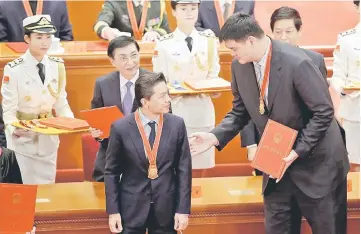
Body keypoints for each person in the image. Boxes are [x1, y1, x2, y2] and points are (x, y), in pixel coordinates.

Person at [189, 13, 349, 234]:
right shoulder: (240, 66)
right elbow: (240, 111)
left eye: (234, 48)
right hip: (277, 163)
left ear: (251, 40)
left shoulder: (297, 62)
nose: (232, 54)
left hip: (317, 163)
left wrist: (297, 150)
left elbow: (323, 112)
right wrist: (214, 135)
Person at [241, 6, 328, 175]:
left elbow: (321, 109)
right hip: (269, 144)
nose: (283, 37)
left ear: (299, 30)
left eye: (288, 31)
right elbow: (249, 106)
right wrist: (251, 144)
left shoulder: (315, 61)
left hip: (304, 145)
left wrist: (304, 145)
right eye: (278, 32)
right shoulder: (259, 61)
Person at [105, 72, 192, 234]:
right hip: (131, 208)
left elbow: (184, 170)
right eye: (162, 96)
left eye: (167, 93)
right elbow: (111, 172)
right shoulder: (120, 128)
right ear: (145, 102)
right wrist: (113, 211)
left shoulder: (177, 125)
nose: (168, 99)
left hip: (167, 208)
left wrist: (183, 209)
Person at [1, 14, 74, 184]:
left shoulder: (57, 65)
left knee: (47, 191)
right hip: (23, 141)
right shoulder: (14, 70)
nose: (45, 42)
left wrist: (71, 122)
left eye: (48, 37)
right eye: (39, 37)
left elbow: (61, 101)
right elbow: (8, 111)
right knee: (24, 192)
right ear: (27, 38)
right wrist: (15, 131)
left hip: (48, 140)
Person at [153, 0, 220, 170]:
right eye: (183, 8)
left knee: (202, 166)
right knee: (177, 168)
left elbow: (214, 76)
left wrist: (215, 89)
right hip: (177, 110)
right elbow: (159, 83)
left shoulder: (209, 40)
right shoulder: (164, 43)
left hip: (203, 111)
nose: (189, 12)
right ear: (174, 11)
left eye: (193, 8)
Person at [90, 36, 151, 182]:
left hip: (147, 157)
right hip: (111, 158)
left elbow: (167, 120)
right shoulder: (102, 84)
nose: (130, 63)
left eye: (134, 55)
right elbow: (96, 119)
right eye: (123, 58)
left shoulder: (154, 82)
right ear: (112, 61)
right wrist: (96, 132)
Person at [330, 0, 360, 171]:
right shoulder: (346, 39)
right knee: (356, 164)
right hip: (355, 109)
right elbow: (337, 76)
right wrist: (345, 89)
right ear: (357, 7)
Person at [94, 0, 170, 42]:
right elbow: (100, 23)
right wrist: (106, 31)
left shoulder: (158, 3)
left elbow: (166, 29)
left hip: (149, 51)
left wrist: (156, 33)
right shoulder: (114, 2)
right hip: (122, 49)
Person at [0, 0, 73, 42]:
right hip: (16, 62)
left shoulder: (58, 3)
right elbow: (2, 43)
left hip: (51, 62)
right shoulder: (3, 5)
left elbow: (66, 38)